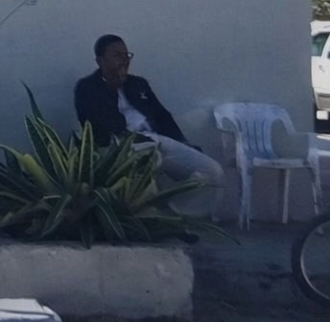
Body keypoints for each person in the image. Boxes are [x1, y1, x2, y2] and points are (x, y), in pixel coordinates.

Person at [73, 34, 225, 217]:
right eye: (117, 56)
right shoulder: (87, 88)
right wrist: (111, 89)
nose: (124, 61)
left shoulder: (138, 84)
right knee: (146, 175)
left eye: (126, 56)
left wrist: (182, 141)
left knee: (212, 171)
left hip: (156, 141)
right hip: (122, 147)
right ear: (100, 61)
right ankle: (158, 218)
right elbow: (100, 129)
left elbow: (162, 116)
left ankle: (176, 215)